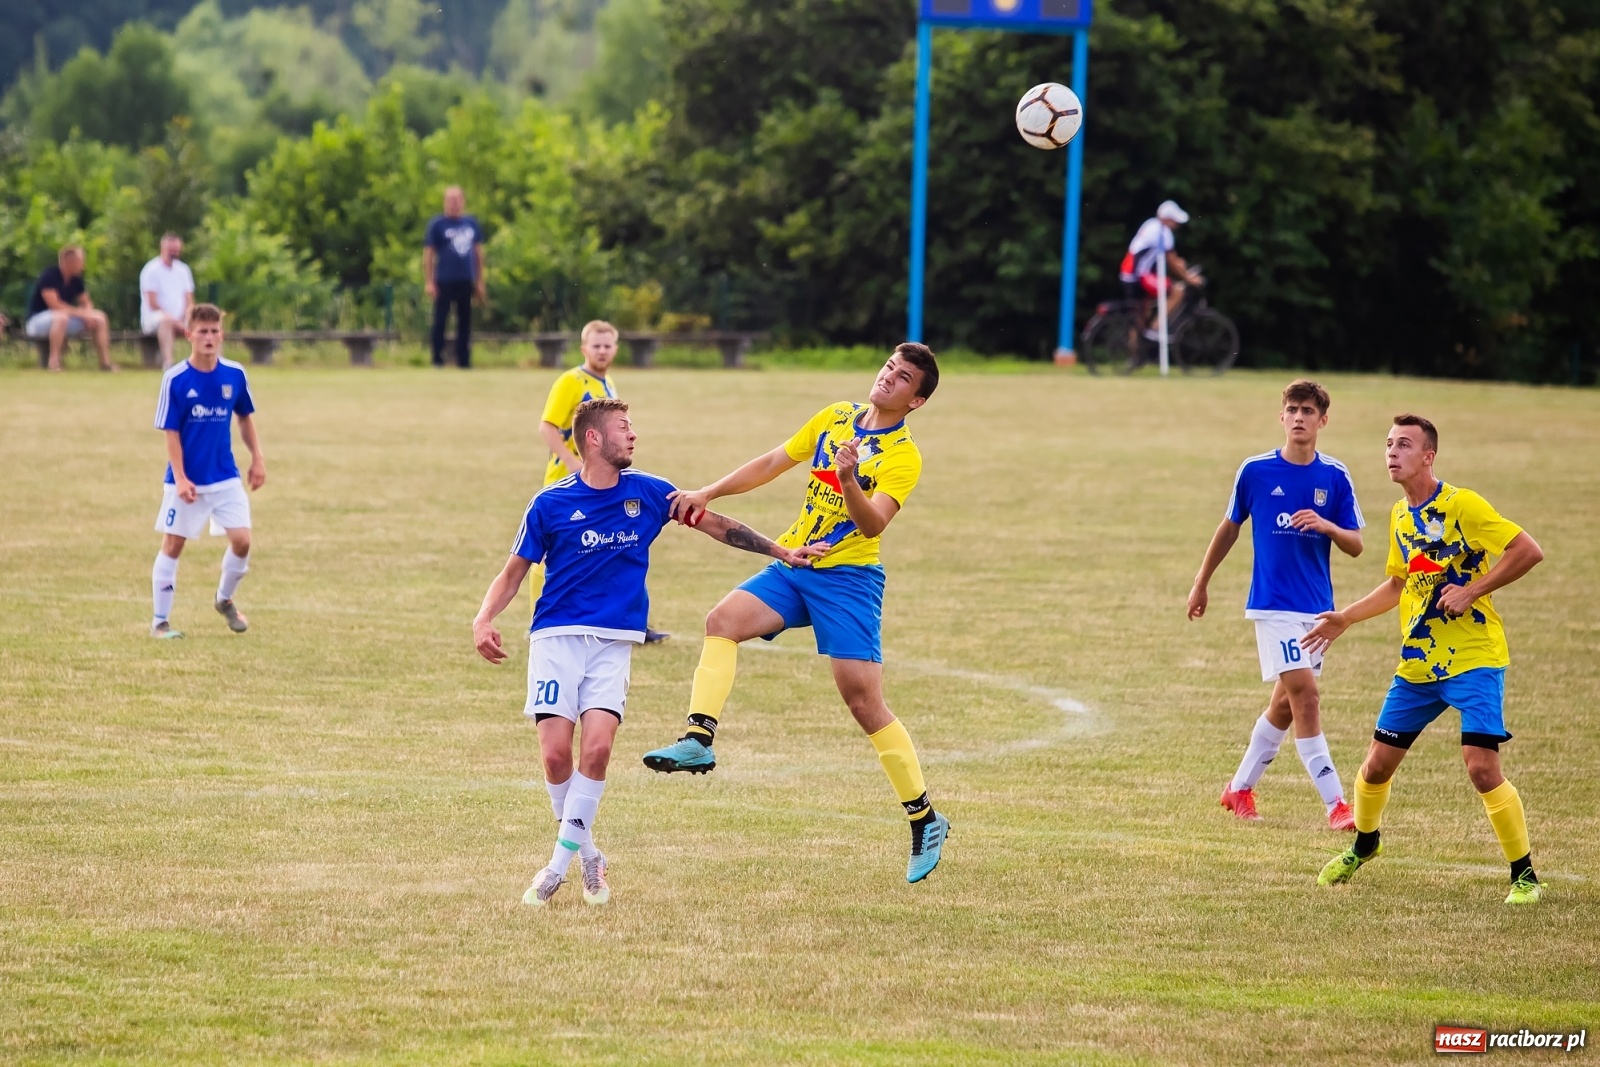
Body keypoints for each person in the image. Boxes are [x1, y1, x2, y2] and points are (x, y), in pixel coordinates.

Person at [472, 398, 825, 907]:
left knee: (595, 751)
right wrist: (484, 618)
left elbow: (718, 525)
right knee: (554, 755)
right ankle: (589, 853)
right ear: (594, 439)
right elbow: (513, 573)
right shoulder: (549, 504)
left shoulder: (653, 494)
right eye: (624, 428)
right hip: (555, 639)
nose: (633, 436)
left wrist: (781, 552)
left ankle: (555, 867)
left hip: (615, 643)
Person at [640, 343, 952, 884]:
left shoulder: (904, 456)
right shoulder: (835, 417)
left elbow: (874, 525)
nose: (887, 379)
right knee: (723, 621)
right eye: (887, 368)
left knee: (863, 701)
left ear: (916, 401)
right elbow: (771, 462)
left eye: (902, 379)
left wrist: (850, 479)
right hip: (793, 562)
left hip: (849, 581)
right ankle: (698, 741)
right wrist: (707, 491)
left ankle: (925, 818)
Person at [1302, 415, 1546, 905]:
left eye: (1404, 445)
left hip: (1475, 659)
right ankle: (1365, 845)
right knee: (1374, 769)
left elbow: (1528, 550)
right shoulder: (1399, 514)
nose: (1392, 452)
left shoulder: (1462, 504)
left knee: (1481, 768)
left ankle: (1525, 875)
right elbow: (1397, 584)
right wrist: (1346, 617)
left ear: (1428, 456)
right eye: (1389, 444)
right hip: (1418, 665)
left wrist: (1473, 590)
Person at [1187, 380, 1365, 830]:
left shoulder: (1335, 476)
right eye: (1293, 409)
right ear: (1281, 417)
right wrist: (1201, 582)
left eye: (1309, 410)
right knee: (1306, 696)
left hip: (1318, 611)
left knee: (1285, 705)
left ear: (1323, 420)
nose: (1300, 417)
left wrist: (1326, 525)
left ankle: (1239, 788)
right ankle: (1336, 805)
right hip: (1272, 606)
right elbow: (1229, 528)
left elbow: (1357, 545)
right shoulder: (1256, 471)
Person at [538, 320, 668, 643]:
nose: (602, 351)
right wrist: (571, 463)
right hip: (569, 483)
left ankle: (631, 618)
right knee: (552, 557)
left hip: (602, 482)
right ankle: (544, 623)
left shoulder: (608, 382)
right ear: (584, 349)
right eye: (595, 345)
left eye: (607, 345)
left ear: (616, 349)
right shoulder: (571, 381)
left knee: (617, 546)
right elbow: (547, 427)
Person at [149, 304, 266, 639]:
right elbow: (170, 432)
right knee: (173, 546)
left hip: (225, 476)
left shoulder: (234, 375)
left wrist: (257, 457)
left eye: (215, 331)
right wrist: (182, 477)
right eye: (202, 331)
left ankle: (224, 599)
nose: (209, 337)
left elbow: (244, 418)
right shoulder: (175, 379)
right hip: (186, 481)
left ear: (222, 335)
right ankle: (160, 622)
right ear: (189, 335)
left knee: (242, 541)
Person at [423, 186, 485, 368]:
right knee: (441, 320)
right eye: (450, 199)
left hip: (466, 280)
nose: (454, 203)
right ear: (445, 202)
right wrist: (429, 281)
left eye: (457, 199)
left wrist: (480, 281)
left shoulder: (471, 223)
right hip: (444, 280)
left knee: (465, 321)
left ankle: (464, 360)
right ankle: (437, 358)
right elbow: (428, 254)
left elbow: (478, 253)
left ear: (463, 201)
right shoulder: (437, 224)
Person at [25, 246, 115, 372]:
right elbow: (55, 306)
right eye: (81, 261)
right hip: (38, 322)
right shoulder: (48, 276)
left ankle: (105, 363)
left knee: (100, 317)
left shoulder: (77, 280)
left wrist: (88, 314)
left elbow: (86, 301)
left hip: (65, 319)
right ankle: (54, 362)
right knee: (61, 317)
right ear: (69, 261)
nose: (83, 265)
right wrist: (82, 314)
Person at [1119, 200, 1201, 326]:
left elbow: (1167, 257)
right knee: (1177, 291)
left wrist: (1180, 264)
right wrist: (1188, 279)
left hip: (1129, 273)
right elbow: (1172, 262)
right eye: (1175, 220)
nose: (1177, 224)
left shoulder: (1151, 224)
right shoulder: (1163, 232)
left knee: (1141, 315)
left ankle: (1138, 341)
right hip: (1139, 275)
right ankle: (1156, 329)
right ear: (1167, 219)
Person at [140, 233, 196, 369]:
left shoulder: (184, 270)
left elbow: (190, 301)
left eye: (176, 249)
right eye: (171, 249)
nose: (174, 252)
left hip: (181, 319)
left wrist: (187, 317)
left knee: (206, 322)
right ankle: (169, 363)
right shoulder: (151, 269)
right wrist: (174, 320)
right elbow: (152, 303)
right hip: (156, 318)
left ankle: (214, 362)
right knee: (166, 321)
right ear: (162, 248)